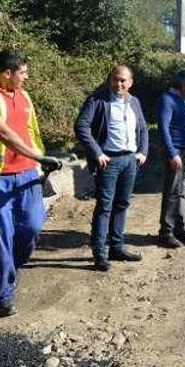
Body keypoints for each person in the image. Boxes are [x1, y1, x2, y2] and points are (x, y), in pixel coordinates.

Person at [0, 49, 62, 317]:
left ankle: (9, 270)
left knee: (32, 227)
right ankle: (4, 294)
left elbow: (30, 131)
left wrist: (39, 160)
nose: (27, 77)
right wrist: (38, 156)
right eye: (23, 72)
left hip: (28, 174)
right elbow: (1, 131)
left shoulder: (24, 96)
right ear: (6, 73)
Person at [74, 65, 148, 271]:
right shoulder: (97, 100)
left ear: (130, 83)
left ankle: (116, 247)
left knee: (122, 204)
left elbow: (142, 128)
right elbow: (81, 125)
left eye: (123, 80)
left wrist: (142, 151)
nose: (119, 84)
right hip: (109, 162)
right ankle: (99, 253)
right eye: (116, 79)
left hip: (130, 161)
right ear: (110, 80)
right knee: (104, 206)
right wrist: (97, 152)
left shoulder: (134, 102)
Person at [156, 69, 185, 248]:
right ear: (184, 85)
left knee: (181, 193)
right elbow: (163, 128)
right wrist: (173, 153)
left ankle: (179, 229)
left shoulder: (183, 101)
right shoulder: (167, 100)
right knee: (172, 193)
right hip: (175, 154)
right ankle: (166, 233)